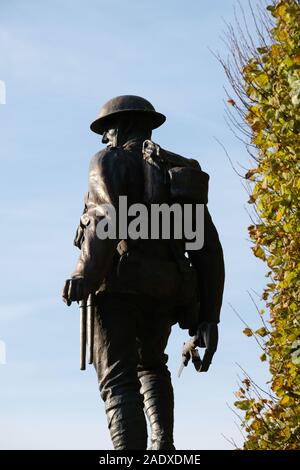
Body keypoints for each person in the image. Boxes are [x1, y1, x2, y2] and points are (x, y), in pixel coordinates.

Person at [62, 95, 225, 450]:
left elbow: (105, 217)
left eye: (106, 133)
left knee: (117, 379)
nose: (105, 140)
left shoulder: (107, 161)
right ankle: (163, 445)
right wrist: (210, 316)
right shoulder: (181, 171)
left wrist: (84, 275)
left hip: (119, 285)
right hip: (168, 289)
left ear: (117, 129)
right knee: (152, 365)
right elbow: (208, 247)